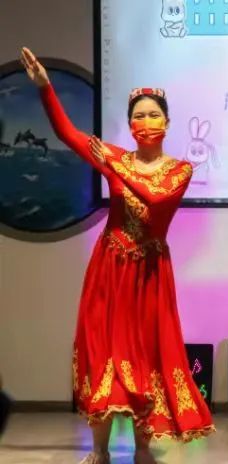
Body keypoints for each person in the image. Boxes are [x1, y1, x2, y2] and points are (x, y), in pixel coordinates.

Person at [20, 47, 214, 464]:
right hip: (109, 268)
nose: (146, 122)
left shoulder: (179, 170)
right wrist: (45, 88)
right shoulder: (116, 158)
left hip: (149, 275)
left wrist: (117, 166)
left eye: (153, 115)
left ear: (167, 122)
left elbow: (156, 200)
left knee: (147, 356)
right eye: (138, 116)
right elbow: (67, 134)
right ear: (129, 124)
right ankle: (100, 449)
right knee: (102, 351)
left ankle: (143, 447)